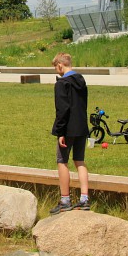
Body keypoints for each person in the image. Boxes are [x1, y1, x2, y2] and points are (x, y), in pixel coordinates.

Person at [49, 52, 91, 213]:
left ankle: (65, 200)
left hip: (68, 129)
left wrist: (60, 132)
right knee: (79, 161)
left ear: (60, 65)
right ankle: (84, 199)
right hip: (82, 127)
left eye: (55, 67)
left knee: (62, 161)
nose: (55, 70)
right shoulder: (81, 80)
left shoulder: (62, 83)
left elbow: (62, 109)